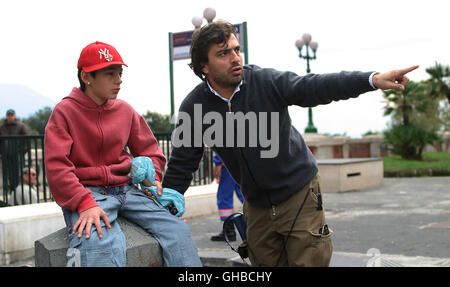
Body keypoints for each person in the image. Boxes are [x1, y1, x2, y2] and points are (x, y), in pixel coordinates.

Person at [162, 21, 418, 267]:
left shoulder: (265, 81)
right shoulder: (194, 108)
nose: (235, 58)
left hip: (299, 194)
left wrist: (371, 80)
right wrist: (167, 203)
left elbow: (316, 86)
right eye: (223, 53)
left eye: (236, 49)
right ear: (204, 66)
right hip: (257, 206)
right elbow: (182, 162)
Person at [44, 41, 201, 267]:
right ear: (86, 77)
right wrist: (83, 202)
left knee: (178, 231)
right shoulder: (64, 112)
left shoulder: (125, 110)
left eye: (120, 73)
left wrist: (152, 177)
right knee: (97, 242)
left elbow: (152, 152)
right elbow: (57, 167)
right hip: (88, 192)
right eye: (110, 74)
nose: (119, 80)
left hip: (127, 190)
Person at [210, 153, 244, 242]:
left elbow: (222, 141)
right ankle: (262, 220)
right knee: (244, 193)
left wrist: (217, 162)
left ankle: (229, 231)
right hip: (240, 161)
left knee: (224, 197)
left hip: (227, 163)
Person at [0, 109, 28, 192]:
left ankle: (18, 192)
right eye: (8, 115)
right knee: (8, 174)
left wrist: (22, 151)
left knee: (19, 173)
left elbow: (27, 140)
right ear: (6, 116)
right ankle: (12, 191)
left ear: (14, 116)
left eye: (11, 115)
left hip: (18, 154)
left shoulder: (21, 126)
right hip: (6, 155)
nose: (10, 117)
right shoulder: (1, 127)